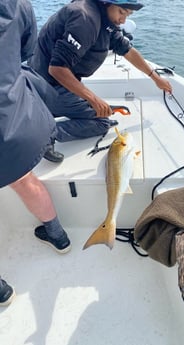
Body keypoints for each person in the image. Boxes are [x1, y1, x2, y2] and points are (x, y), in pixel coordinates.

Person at [29, 0, 172, 161]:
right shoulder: (85, 19)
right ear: (106, 3)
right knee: (102, 122)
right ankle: (43, 135)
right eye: (121, 12)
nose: (123, 20)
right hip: (49, 84)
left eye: (128, 15)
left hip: (47, 79)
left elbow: (128, 50)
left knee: (98, 111)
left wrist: (155, 77)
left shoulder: (104, 18)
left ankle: (45, 114)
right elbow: (57, 69)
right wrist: (94, 99)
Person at [0, 0, 71, 306]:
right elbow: (24, 53)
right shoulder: (18, 4)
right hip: (16, 128)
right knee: (24, 178)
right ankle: (57, 235)